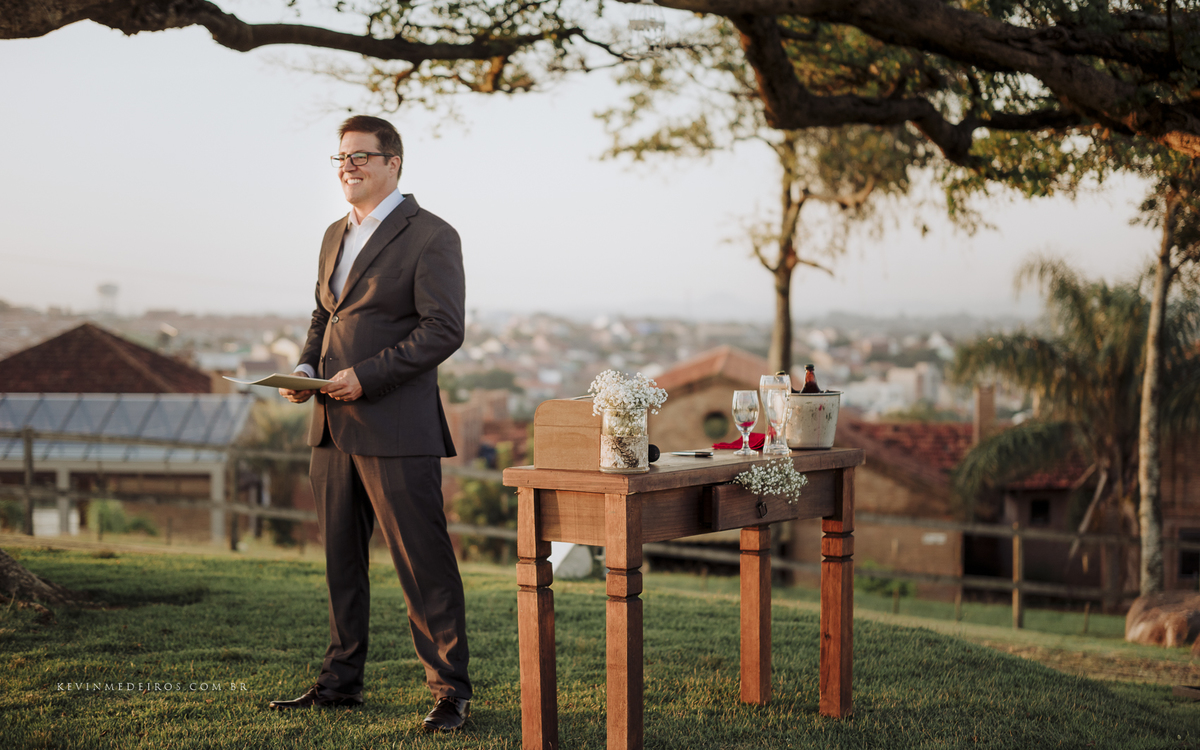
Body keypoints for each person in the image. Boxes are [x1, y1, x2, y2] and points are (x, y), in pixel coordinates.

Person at [269, 115, 471, 733]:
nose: (347, 167)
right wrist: (305, 366)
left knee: (421, 562)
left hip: (397, 426)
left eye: (361, 156)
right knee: (339, 560)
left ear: (394, 164)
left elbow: (443, 329)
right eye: (341, 158)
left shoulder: (432, 235)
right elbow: (321, 312)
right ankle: (339, 684)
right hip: (329, 423)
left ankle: (449, 693)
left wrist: (368, 375)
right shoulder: (334, 233)